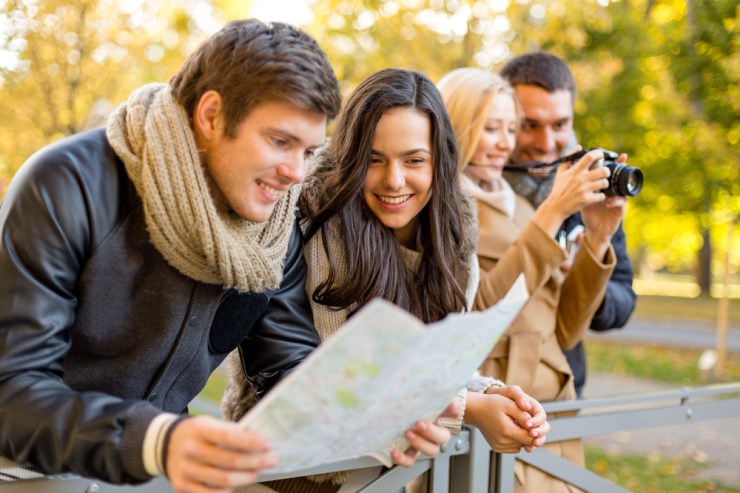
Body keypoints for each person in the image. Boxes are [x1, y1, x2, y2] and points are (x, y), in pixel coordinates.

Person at [1, 19, 349, 492]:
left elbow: (287, 369)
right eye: (280, 141)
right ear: (210, 115)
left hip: (162, 473)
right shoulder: (65, 183)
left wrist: (381, 420)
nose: (295, 173)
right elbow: (12, 395)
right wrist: (157, 440)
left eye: (309, 151)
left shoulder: (275, 226)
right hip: (27, 474)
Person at [222, 68, 551, 493]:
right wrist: (465, 409)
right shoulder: (303, 217)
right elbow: (304, 378)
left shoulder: (454, 228)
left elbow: (436, 362)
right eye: (374, 160)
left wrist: (496, 396)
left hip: (382, 479)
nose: (394, 180)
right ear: (350, 156)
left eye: (414, 160)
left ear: (440, 159)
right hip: (279, 478)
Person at [439, 67, 622, 492]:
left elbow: (567, 329)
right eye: (491, 128)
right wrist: (553, 213)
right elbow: (477, 310)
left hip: (555, 403)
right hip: (501, 408)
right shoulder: (442, 209)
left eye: (510, 128)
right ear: (456, 127)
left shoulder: (520, 203)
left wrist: (598, 237)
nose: (506, 143)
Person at [500, 52, 637, 398]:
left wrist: (586, 276)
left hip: (564, 389)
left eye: (560, 125)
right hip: (495, 394)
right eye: (530, 125)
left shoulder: (592, 187)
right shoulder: (479, 188)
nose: (547, 144)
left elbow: (623, 300)